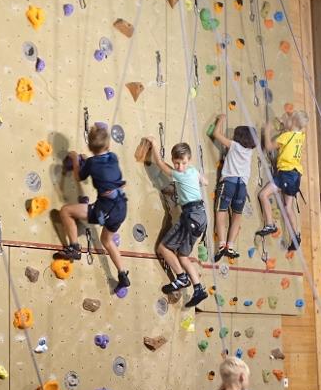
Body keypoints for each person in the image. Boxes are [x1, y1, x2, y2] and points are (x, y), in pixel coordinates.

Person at [52, 125, 131, 294]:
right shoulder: (114, 157)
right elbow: (102, 168)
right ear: (108, 146)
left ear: (89, 147)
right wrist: (87, 160)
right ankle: (122, 273)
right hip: (121, 208)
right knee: (107, 241)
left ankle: (74, 247)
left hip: (105, 210)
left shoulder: (91, 163)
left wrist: (74, 159)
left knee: (65, 211)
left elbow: (78, 176)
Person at [144, 140, 209, 309]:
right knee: (183, 256)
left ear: (189, 159)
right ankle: (198, 289)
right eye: (177, 163)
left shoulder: (178, 175)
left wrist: (153, 144)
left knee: (163, 248)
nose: (180, 167)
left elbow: (159, 163)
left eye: (183, 163)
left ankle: (181, 277)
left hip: (190, 216)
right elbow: (205, 181)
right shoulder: (193, 170)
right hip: (200, 217)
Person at [256, 110, 307, 252]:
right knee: (288, 208)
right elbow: (291, 133)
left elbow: (268, 146)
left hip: (286, 174)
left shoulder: (286, 136)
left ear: (294, 123)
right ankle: (296, 236)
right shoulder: (301, 136)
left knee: (263, 195)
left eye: (289, 119)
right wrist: (286, 124)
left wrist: (266, 131)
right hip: (296, 176)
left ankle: (271, 224)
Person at [208, 114, 256, 262]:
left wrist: (220, 120)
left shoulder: (234, 145)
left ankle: (222, 244)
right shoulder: (250, 151)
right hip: (242, 187)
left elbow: (216, 134)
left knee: (221, 212)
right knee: (237, 216)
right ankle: (231, 246)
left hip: (228, 183)